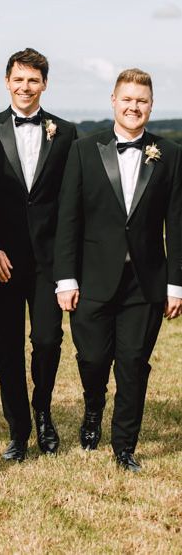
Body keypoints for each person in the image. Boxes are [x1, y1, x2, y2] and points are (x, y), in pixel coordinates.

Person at [55, 68, 182, 472]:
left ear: (151, 105)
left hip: (146, 282)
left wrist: (176, 284)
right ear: (113, 100)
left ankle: (124, 445)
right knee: (92, 358)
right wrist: (66, 277)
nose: (134, 106)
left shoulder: (170, 155)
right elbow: (68, 219)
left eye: (141, 100)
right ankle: (94, 409)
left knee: (133, 364)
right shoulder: (83, 150)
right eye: (127, 99)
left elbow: (177, 224)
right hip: (91, 278)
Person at [0, 48, 77, 461]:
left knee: (49, 340)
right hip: (3, 262)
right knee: (8, 346)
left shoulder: (66, 133)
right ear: (6, 81)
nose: (25, 87)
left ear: (44, 84)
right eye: (18, 79)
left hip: (51, 261)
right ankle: (18, 429)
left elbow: (72, 201)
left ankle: (44, 413)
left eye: (33, 80)